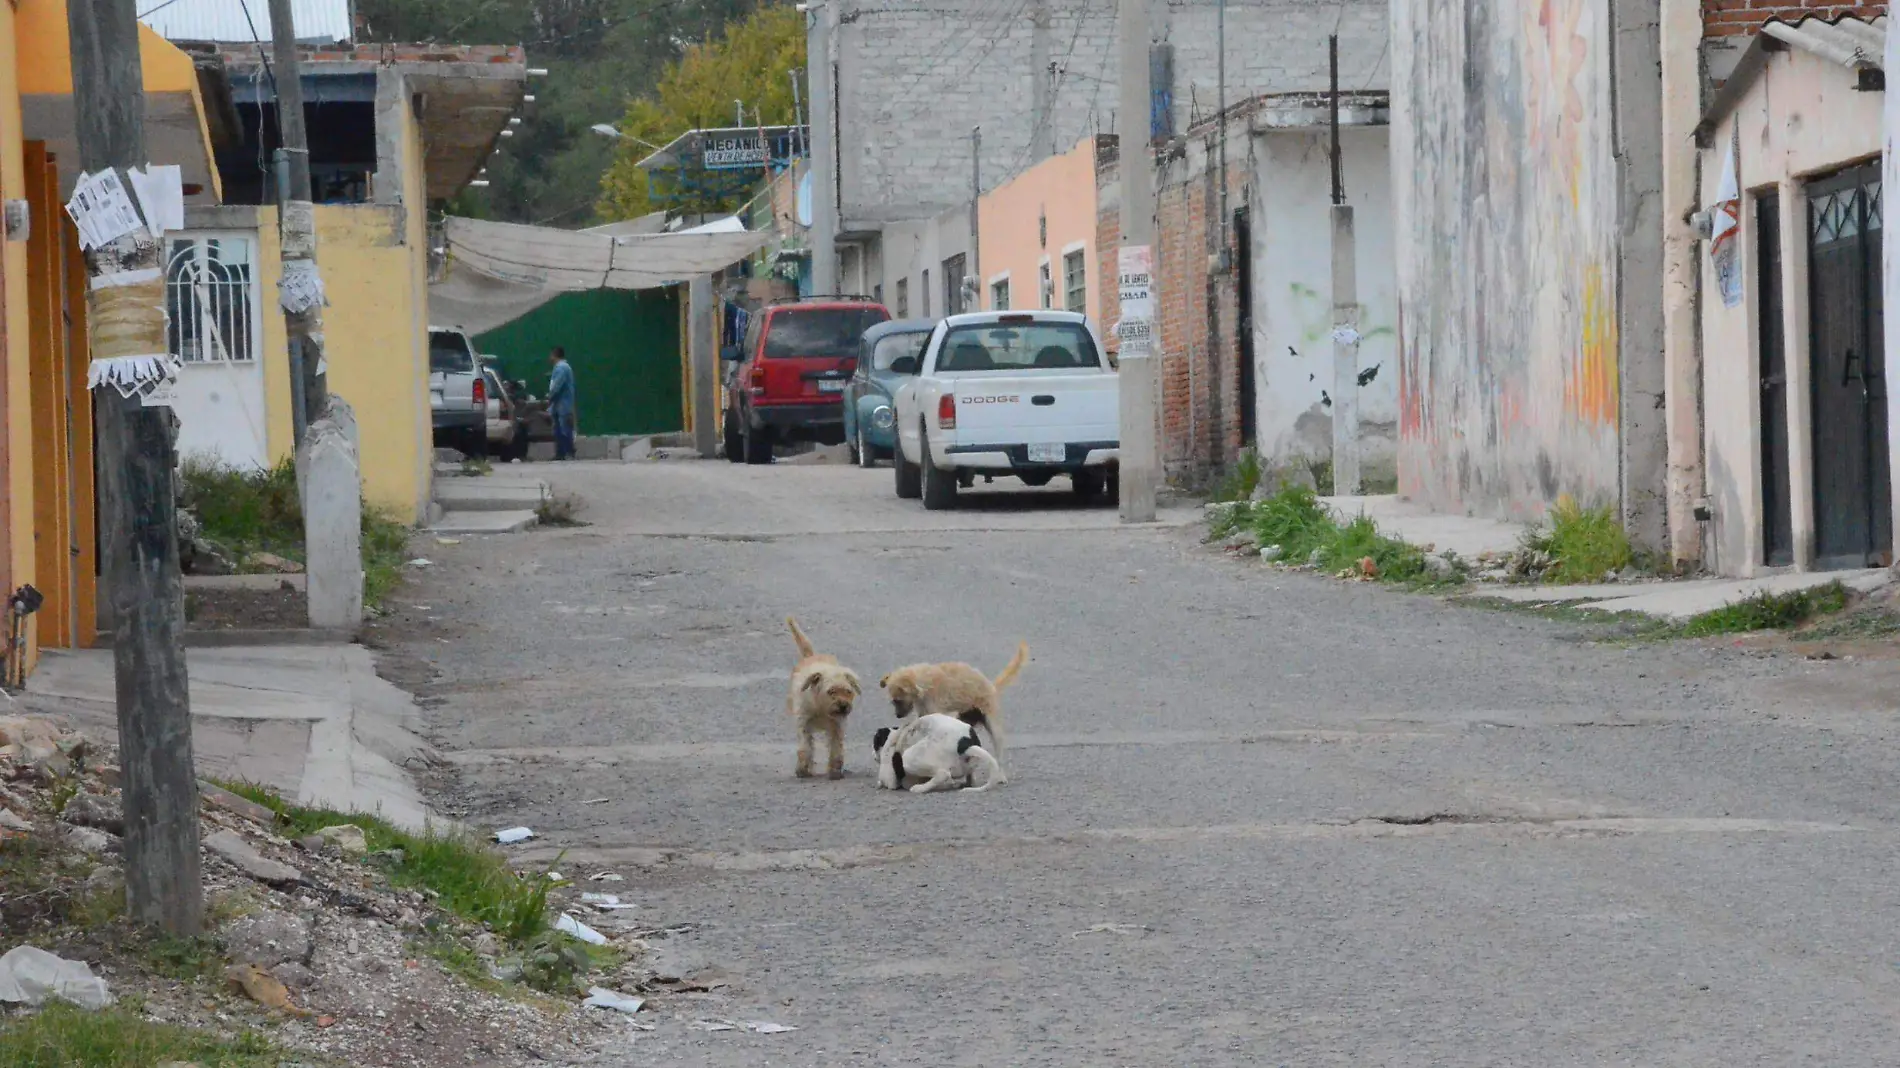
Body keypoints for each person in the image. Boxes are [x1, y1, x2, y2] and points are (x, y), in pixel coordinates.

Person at [547, 347, 577, 461]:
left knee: (564, 428)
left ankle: (568, 452)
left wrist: (549, 397)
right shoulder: (563, 367)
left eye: (551, 355)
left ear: (555, 355)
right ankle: (561, 453)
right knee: (559, 429)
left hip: (562, 404)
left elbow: (556, 386)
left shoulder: (561, 368)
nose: (550, 357)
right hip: (560, 404)